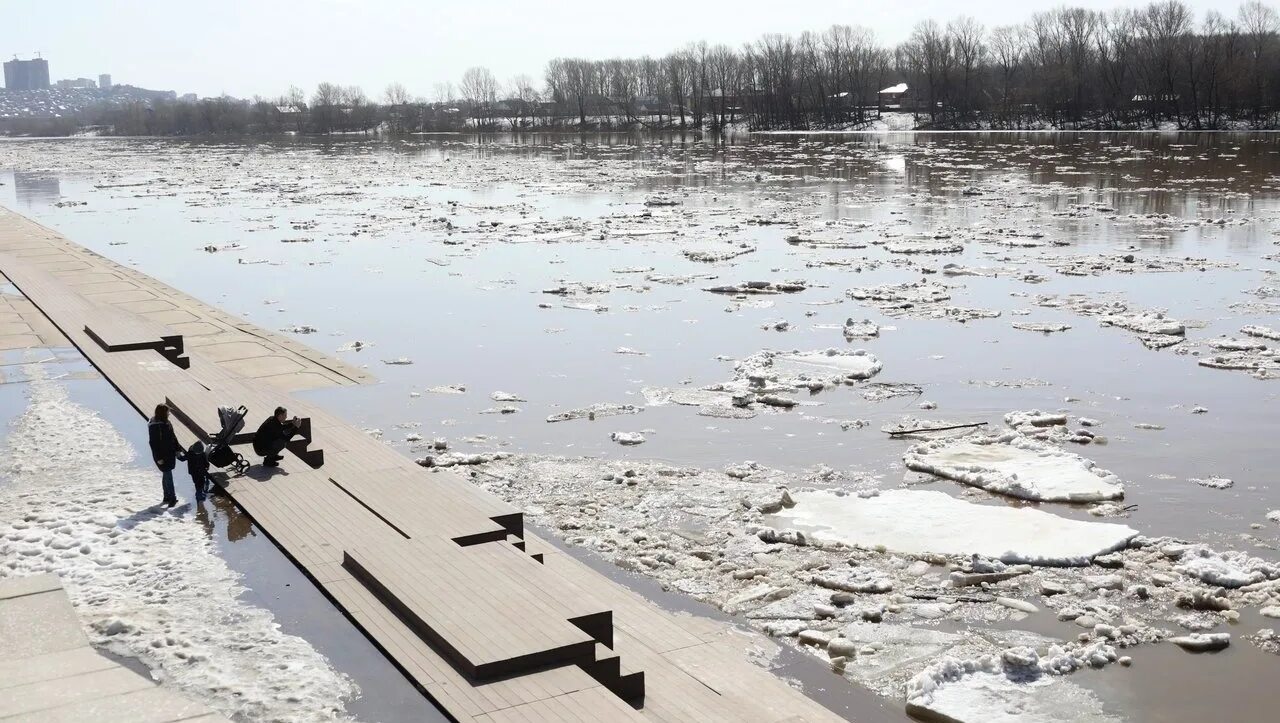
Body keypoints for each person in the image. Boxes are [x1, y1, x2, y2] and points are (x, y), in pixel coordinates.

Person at [148, 404, 186, 506]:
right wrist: (158, 457)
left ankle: (166, 497)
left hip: (169, 452)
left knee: (166, 474)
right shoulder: (154, 426)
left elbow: (173, 436)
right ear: (163, 413)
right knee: (168, 475)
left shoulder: (167, 422)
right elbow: (153, 443)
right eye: (167, 412)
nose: (169, 414)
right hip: (162, 455)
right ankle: (172, 498)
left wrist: (178, 449)